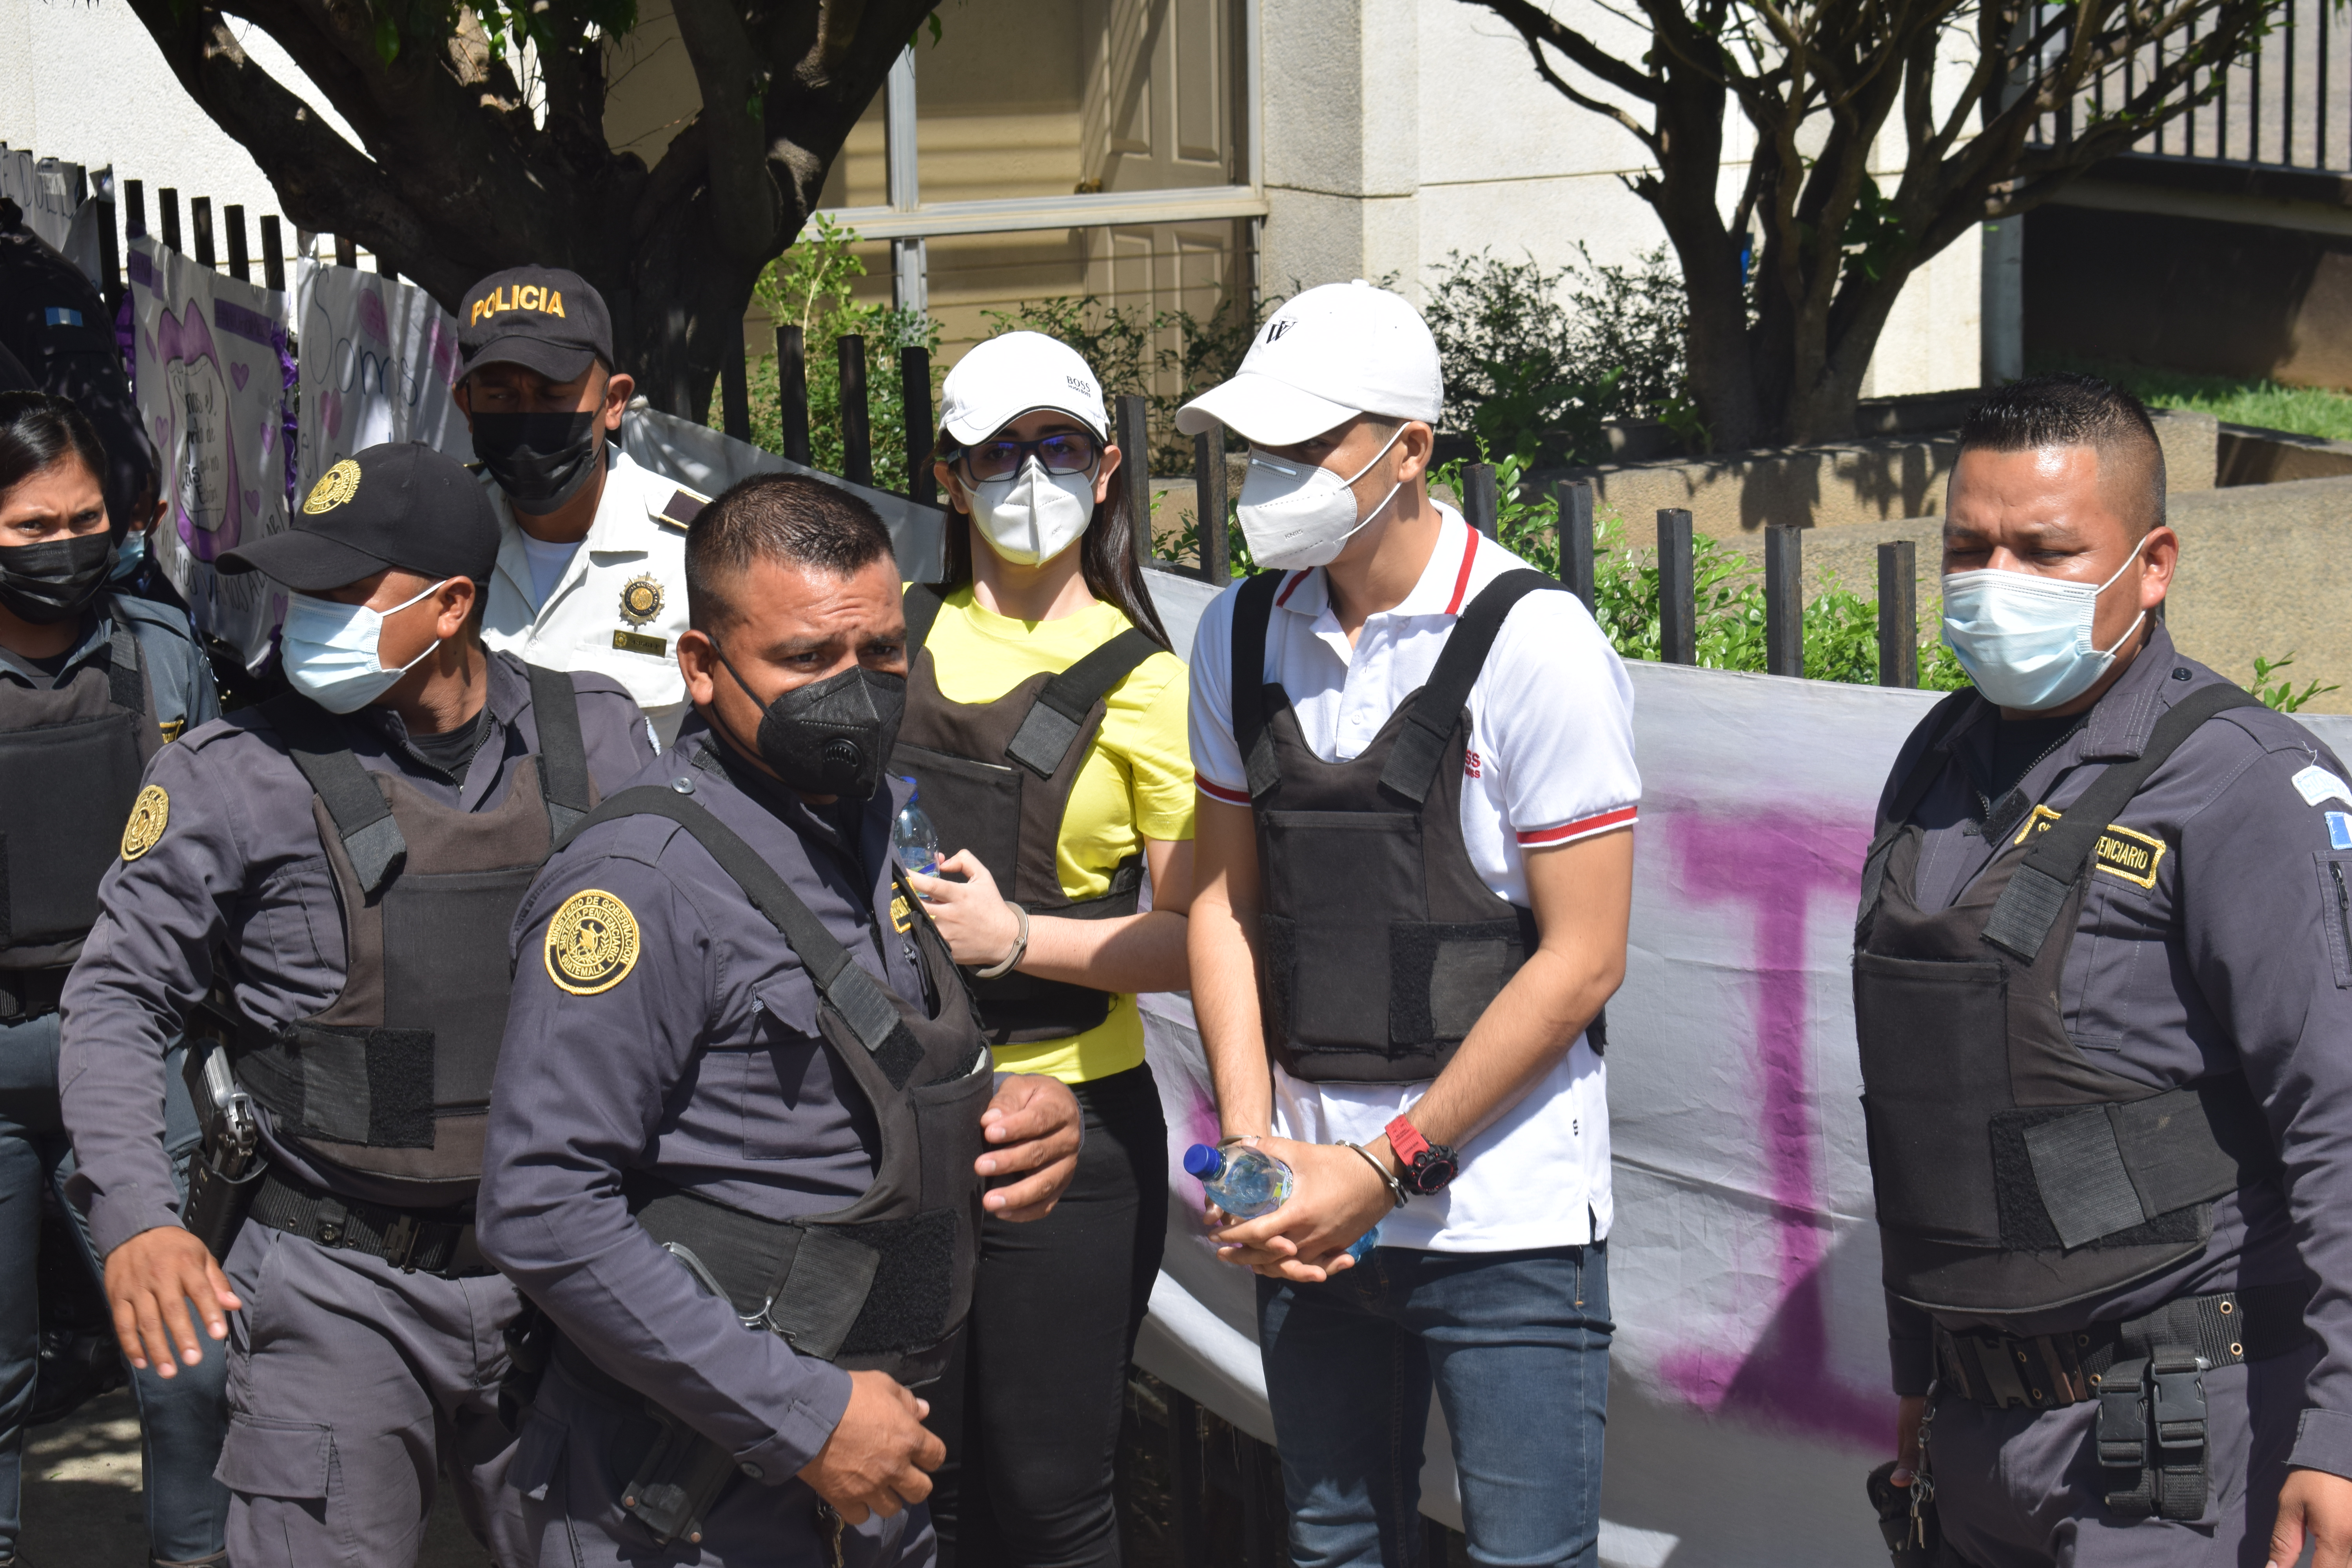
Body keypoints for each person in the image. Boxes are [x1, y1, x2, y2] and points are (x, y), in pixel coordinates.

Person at [58, 441, 661, 1568]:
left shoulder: (601, 741)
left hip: (570, 1271)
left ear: (453, 607)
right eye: (300, 591)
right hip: (336, 1282)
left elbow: (708, 970)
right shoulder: (234, 773)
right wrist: (136, 1213)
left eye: (344, 595)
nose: (307, 619)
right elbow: (118, 992)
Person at [475, 472, 1085, 1567]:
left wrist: (1019, 1116)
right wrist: (800, 1416)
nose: (854, 694)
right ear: (702, 670)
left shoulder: (872, 832)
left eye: (883, 655)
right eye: (806, 661)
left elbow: (851, 1079)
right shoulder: (642, 884)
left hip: (870, 1471)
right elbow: (542, 1205)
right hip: (684, 1491)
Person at [1176, 281, 1636, 1568]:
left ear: (1410, 450)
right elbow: (1223, 906)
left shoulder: (1535, 643)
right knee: (1335, 1546)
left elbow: (1584, 956)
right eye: (1259, 447)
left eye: (1306, 446)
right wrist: (1257, 1144)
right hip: (1310, 1222)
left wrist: (1383, 1169)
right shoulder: (1240, 631)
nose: (1271, 477)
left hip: (1505, 1220)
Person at [1859, 373, 2352, 1568]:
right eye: (1966, 547)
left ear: (2151, 561)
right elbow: (1927, 1100)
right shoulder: (1934, 757)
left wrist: (2338, 1438)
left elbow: (2337, 1120)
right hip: (1975, 1434)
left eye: (2043, 549)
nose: (1994, 580)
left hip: (2176, 1444)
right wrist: (1918, 1373)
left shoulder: (2240, 785)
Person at [893, 332, 1192, 1567]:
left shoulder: (1150, 682)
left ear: (1107, 467)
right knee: (924, 1487)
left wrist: (1020, 937)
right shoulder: (890, 634)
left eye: (1059, 446)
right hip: (895, 1117)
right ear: (948, 475)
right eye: (999, 451)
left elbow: (1193, 938)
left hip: (1072, 1130)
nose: (1031, 475)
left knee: (1049, 1496)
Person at [0, 392, 220, 1567]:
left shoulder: (157, 643)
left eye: (87, 520)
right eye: (33, 527)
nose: (67, 547)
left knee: (190, 1360)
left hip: (128, 1053)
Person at [456, 265, 703, 748]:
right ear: (466, 407)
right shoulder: (435, 534)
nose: (527, 420)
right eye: (501, 395)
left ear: (614, 402)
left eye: (553, 395)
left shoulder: (701, 549)